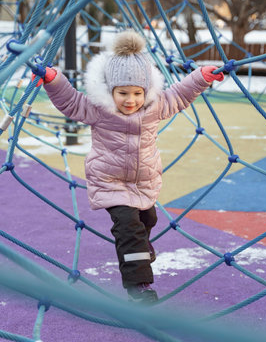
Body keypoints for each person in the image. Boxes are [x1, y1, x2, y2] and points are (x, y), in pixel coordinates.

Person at [35, 30, 224, 304]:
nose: (130, 100)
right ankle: (139, 288)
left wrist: (201, 77)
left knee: (148, 221)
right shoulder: (99, 109)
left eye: (137, 93)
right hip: (109, 181)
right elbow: (70, 101)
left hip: (144, 182)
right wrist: (52, 80)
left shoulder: (154, 107)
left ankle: (142, 247)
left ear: (146, 92)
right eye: (122, 92)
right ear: (110, 90)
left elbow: (181, 94)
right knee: (128, 229)